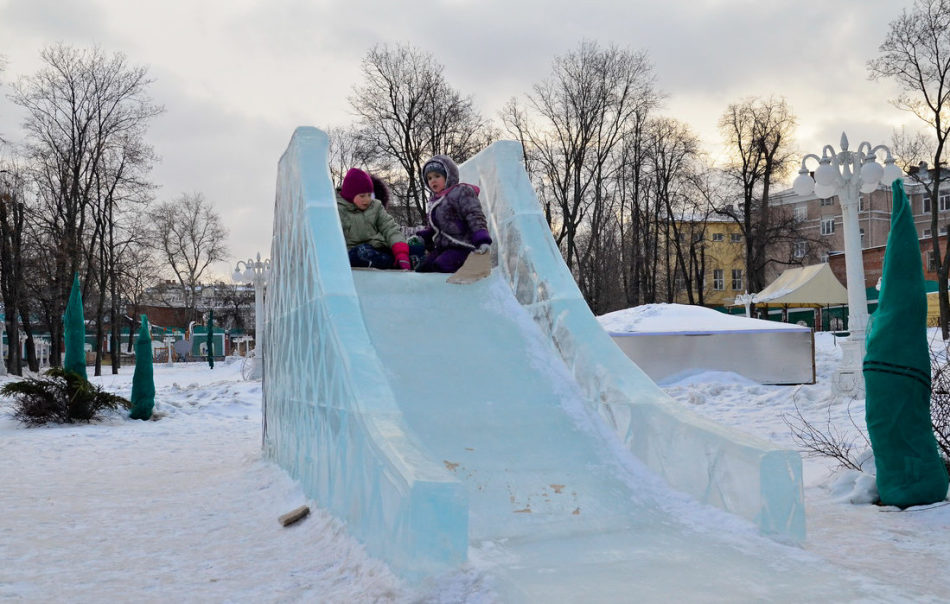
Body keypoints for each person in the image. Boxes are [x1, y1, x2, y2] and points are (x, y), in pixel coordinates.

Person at [415, 155, 492, 273]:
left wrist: (482, 240)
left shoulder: (461, 191)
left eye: (437, 176)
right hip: (443, 247)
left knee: (440, 266)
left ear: (448, 176)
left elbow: (474, 215)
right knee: (424, 268)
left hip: (462, 246)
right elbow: (433, 227)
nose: (433, 180)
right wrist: (424, 236)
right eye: (429, 178)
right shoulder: (433, 201)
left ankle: (454, 285)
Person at [336, 168, 411, 270]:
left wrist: (400, 250)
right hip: (353, 252)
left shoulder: (375, 206)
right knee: (361, 252)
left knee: (403, 249)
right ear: (349, 195)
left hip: (378, 248)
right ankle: (392, 262)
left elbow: (389, 227)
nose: (367, 200)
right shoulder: (338, 210)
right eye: (362, 196)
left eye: (369, 195)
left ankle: (406, 259)